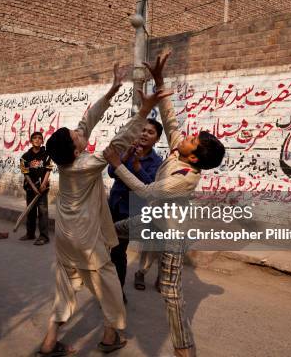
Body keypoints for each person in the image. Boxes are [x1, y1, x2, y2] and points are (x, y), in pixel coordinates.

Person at [37, 62, 173, 357]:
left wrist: (111, 91)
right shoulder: (87, 164)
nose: (79, 131)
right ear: (76, 150)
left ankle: (50, 340)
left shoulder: (67, 160)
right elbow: (119, 143)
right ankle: (111, 336)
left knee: (65, 286)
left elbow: (87, 120)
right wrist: (143, 111)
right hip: (87, 242)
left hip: (65, 239)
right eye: (75, 136)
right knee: (109, 284)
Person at [104, 53, 225, 357]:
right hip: (151, 219)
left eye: (192, 139)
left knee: (171, 293)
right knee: (111, 233)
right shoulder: (179, 151)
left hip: (170, 235)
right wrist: (160, 82)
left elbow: (146, 192)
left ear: (194, 157)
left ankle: (184, 349)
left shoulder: (185, 177)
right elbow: (170, 119)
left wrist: (118, 165)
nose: (186, 136)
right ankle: (110, 299)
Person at [107, 120, 163, 301]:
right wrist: (124, 158)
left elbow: (150, 187)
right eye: (143, 131)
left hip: (130, 211)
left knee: (118, 252)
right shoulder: (126, 151)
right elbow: (111, 172)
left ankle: (117, 293)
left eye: (151, 132)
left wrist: (137, 166)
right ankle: (112, 289)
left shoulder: (157, 162)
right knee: (111, 250)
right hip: (114, 204)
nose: (145, 134)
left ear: (157, 139)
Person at [19, 131, 53, 245]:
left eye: (39, 138)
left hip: (42, 189)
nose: (37, 140)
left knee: (43, 212)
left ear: (42, 141)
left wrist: (43, 184)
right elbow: (25, 173)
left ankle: (44, 237)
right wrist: (33, 187)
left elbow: (48, 170)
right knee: (31, 211)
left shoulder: (47, 155)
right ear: (31, 141)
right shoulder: (25, 157)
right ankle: (30, 234)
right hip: (30, 188)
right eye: (35, 138)